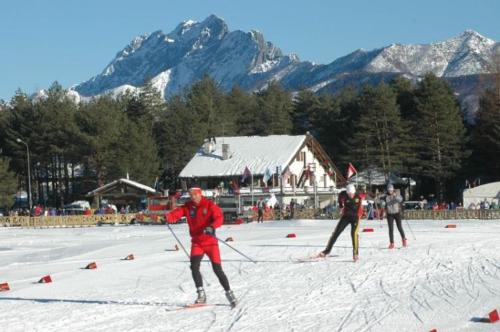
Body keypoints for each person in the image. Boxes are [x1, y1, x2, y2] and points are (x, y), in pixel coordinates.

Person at [165, 187, 237, 307]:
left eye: (194, 195)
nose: (192, 197)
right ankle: (201, 294)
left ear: (200, 194)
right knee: (194, 266)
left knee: (217, 269)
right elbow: (177, 213)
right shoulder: (188, 207)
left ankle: (229, 293)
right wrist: (168, 217)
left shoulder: (209, 205)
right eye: (190, 195)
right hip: (197, 242)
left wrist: (212, 226)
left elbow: (219, 218)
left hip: (210, 242)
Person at [319, 184, 363, 262]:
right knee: (336, 233)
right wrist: (340, 205)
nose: (351, 195)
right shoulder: (343, 194)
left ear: (354, 192)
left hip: (355, 218)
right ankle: (327, 251)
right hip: (345, 217)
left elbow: (360, 208)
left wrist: (359, 215)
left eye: (352, 194)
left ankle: (355, 254)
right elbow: (339, 197)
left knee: (354, 234)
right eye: (349, 194)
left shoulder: (358, 196)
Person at [385, 184, 407, 249]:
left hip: (397, 213)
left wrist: (395, 196)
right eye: (389, 190)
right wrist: (381, 202)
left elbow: (400, 199)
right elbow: (381, 201)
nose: (390, 191)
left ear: (393, 190)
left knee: (399, 227)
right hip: (389, 214)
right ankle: (392, 243)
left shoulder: (396, 194)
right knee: (391, 229)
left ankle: (404, 239)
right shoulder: (386, 196)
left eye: (391, 190)